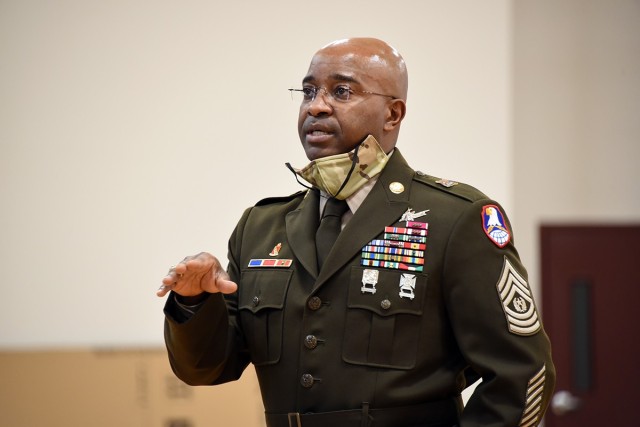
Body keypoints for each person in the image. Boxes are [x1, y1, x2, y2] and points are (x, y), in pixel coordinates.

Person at [157, 37, 555, 427]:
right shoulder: (261, 227)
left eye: (341, 91)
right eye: (308, 91)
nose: (316, 106)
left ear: (393, 115)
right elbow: (206, 369)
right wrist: (193, 303)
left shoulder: (454, 219)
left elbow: (522, 373)